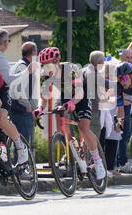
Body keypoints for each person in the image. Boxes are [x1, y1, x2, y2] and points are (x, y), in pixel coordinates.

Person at [33, 47, 106, 180]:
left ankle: (97, 161)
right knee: (58, 115)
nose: (46, 68)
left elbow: (79, 92)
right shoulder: (44, 75)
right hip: (65, 95)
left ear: (57, 61)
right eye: (44, 65)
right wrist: (39, 108)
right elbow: (43, 97)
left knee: (83, 126)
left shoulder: (70, 69)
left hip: (81, 94)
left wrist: (72, 102)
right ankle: (71, 146)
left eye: (49, 64)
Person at [9, 42, 39, 146]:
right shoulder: (23, 67)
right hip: (22, 111)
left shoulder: (20, 65)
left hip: (19, 109)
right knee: (24, 144)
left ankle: (22, 162)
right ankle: (23, 163)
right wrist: (28, 106)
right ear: (34, 52)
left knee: (21, 144)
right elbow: (18, 88)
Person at [116, 50, 132, 173]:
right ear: (121, 57)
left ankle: (121, 161)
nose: (129, 59)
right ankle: (121, 162)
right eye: (127, 57)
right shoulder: (118, 69)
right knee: (122, 134)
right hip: (120, 106)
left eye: (131, 57)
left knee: (128, 134)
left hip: (130, 105)